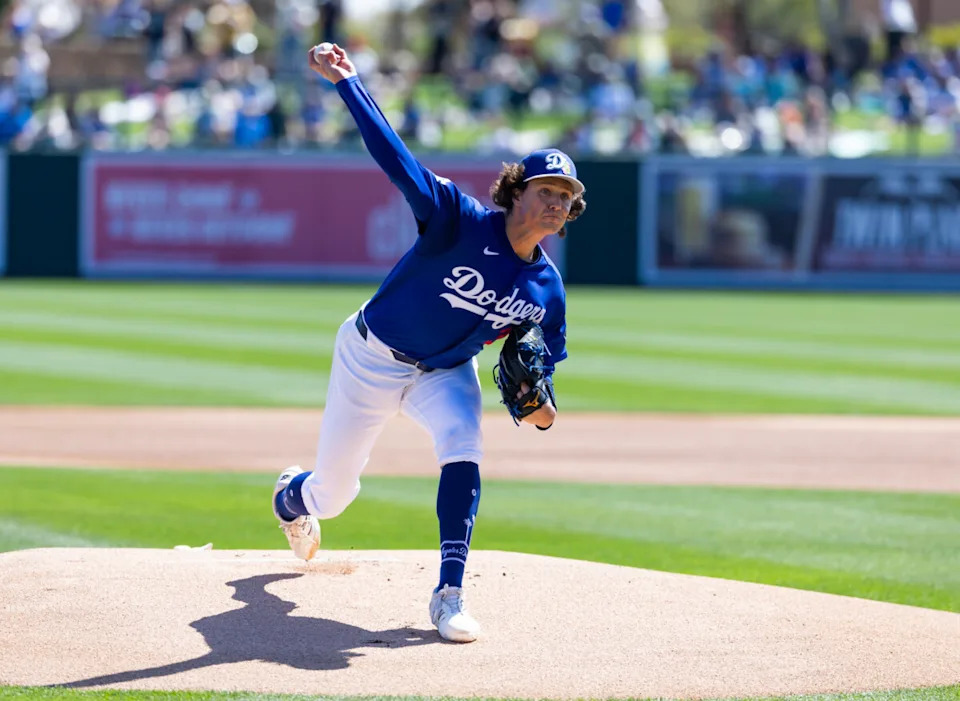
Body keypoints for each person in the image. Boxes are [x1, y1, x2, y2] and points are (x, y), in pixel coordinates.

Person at [270, 41, 587, 643]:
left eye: (566, 199)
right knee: (332, 497)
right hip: (370, 358)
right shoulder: (457, 219)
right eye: (547, 190)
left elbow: (542, 394)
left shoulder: (548, 288)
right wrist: (348, 82)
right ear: (516, 190)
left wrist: (541, 407)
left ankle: (449, 593)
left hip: (445, 372)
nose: (556, 203)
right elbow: (397, 160)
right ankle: (291, 497)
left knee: (464, 441)